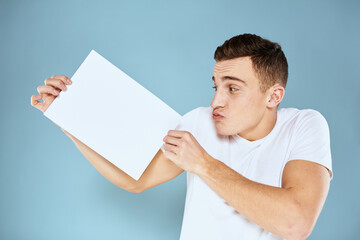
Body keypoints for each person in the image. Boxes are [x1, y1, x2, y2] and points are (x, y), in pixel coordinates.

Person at [30, 33, 333, 240]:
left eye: (233, 88)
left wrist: (203, 164)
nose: (216, 101)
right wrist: (67, 121)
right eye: (216, 86)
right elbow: (137, 180)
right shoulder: (198, 123)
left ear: (273, 96)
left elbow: (296, 223)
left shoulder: (304, 125)